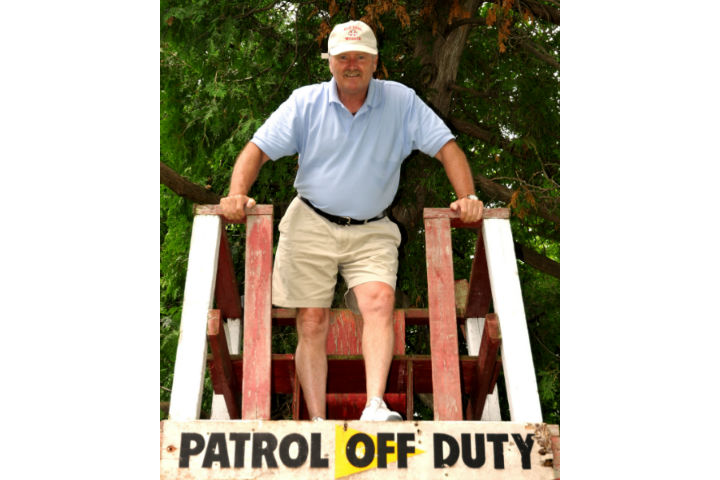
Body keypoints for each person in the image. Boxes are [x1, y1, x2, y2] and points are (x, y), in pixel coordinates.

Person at [220, 20, 483, 421]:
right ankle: (318, 420)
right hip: (311, 220)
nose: (352, 64)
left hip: (372, 227)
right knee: (311, 319)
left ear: (375, 62)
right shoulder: (305, 103)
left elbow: (448, 148)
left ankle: (375, 405)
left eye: (361, 56)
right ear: (331, 63)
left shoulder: (402, 101)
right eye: (344, 57)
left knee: (379, 302)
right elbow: (256, 148)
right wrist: (237, 194)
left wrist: (468, 197)